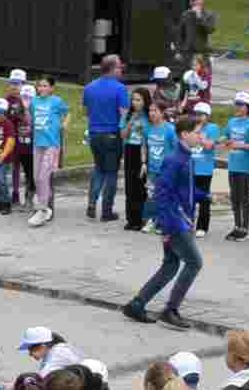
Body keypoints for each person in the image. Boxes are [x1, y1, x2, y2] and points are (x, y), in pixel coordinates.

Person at [124, 121, 201, 328]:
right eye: (196, 132)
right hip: (175, 221)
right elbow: (162, 193)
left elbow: (184, 189)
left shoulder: (185, 157)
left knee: (170, 264)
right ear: (184, 134)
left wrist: (203, 197)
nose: (199, 136)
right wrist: (166, 225)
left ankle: (137, 304)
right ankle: (170, 310)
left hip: (179, 218)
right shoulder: (175, 159)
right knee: (194, 262)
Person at [81, 57, 129, 224]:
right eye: (119, 67)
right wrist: (123, 129)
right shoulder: (120, 88)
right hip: (112, 134)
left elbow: (86, 112)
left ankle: (92, 203)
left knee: (98, 169)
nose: (121, 70)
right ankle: (107, 210)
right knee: (111, 173)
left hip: (94, 134)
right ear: (112, 69)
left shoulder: (89, 88)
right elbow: (123, 113)